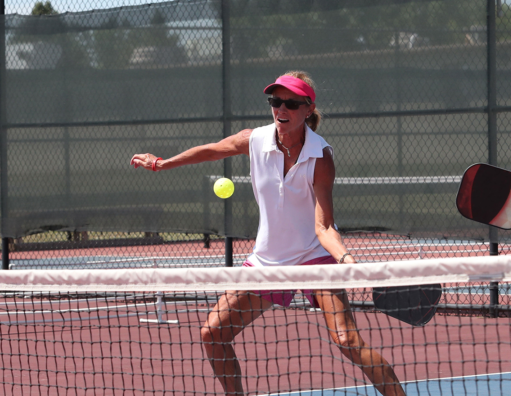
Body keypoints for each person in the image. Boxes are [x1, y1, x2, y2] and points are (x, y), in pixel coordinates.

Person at [130, 71, 405, 396]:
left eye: (290, 103)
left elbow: (324, 225)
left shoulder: (320, 156)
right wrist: (162, 163)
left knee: (347, 340)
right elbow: (212, 150)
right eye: (275, 101)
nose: (281, 109)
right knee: (212, 334)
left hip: (313, 258)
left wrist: (346, 259)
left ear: (307, 109)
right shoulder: (255, 139)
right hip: (267, 263)